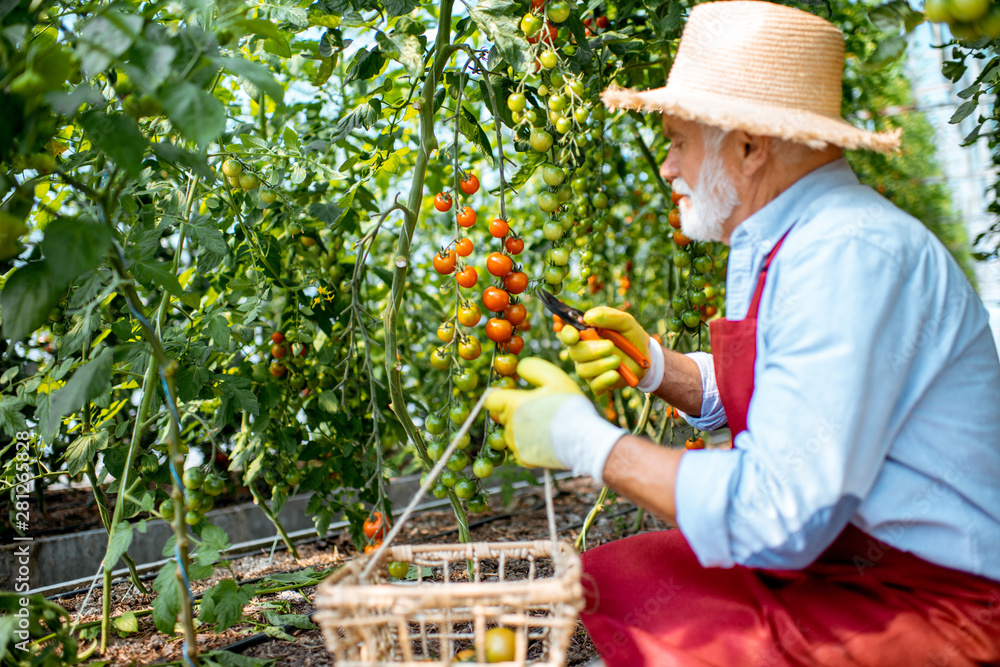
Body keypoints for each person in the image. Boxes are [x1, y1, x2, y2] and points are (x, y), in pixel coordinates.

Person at [484, 1, 1000, 665]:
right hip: (858, 558)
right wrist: (654, 368)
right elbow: (795, 393)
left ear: (750, 147)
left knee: (675, 617)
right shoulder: (796, 238)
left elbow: (776, 515)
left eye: (676, 140)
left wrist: (588, 443)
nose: (667, 167)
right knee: (629, 571)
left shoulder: (846, 255)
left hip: (942, 605)